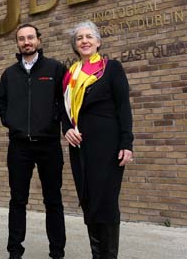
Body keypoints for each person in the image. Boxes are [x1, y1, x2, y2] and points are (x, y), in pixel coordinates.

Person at [62, 20, 134, 259]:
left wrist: (127, 143)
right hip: (80, 145)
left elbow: (124, 107)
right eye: (80, 38)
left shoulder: (111, 68)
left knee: (106, 201)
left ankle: (109, 255)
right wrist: (66, 129)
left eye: (89, 37)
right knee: (89, 199)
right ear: (75, 44)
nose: (84, 41)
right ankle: (97, 254)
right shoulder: (70, 75)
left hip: (108, 145)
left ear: (98, 42)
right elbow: (64, 110)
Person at [0, 24, 67, 259]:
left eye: (30, 38)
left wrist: (51, 121)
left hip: (48, 145)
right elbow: (1, 104)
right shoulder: (9, 74)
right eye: (22, 39)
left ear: (38, 40)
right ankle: (15, 251)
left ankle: (57, 252)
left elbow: (64, 102)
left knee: (53, 200)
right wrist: (12, 123)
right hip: (19, 147)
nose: (26, 42)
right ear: (17, 43)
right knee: (18, 200)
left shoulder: (55, 69)